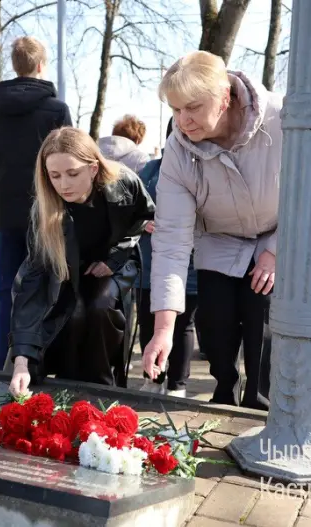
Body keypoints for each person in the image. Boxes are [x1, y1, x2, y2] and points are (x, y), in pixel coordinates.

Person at [142, 51, 281, 410]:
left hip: (277, 236)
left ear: (226, 96)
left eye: (192, 107)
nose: (183, 121)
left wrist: (277, 251)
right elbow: (172, 239)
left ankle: (263, 408)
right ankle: (223, 398)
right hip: (218, 240)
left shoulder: (282, 120)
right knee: (215, 325)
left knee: (262, 322)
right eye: (175, 110)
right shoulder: (178, 149)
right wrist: (163, 330)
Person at [7, 127, 155, 397]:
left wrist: (115, 258)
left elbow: (141, 217)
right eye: (55, 176)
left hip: (110, 266)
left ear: (94, 169)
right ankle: (68, 388)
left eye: (72, 173)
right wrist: (21, 361)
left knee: (99, 307)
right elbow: (32, 284)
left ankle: (102, 390)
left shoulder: (124, 181)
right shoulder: (44, 213)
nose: (64, 184)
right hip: (64, 271)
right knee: (71, 315)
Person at [0, 36, 72, 371]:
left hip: (5, 213)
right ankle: (40, 362)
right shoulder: (56, 109)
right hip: (46, 211)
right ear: (41, 65)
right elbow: (67, 158)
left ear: (15, 65)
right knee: (47, 287)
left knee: (9, 287)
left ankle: (2, 361)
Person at [137, 118, 198, 398]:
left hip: (190, 263)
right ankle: (152, 378)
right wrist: (143, 224)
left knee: (184, 324)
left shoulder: (203, 168)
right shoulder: (151, 169)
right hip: (151, 261)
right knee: (149, 322)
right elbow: (134, 210)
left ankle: (177, 384)